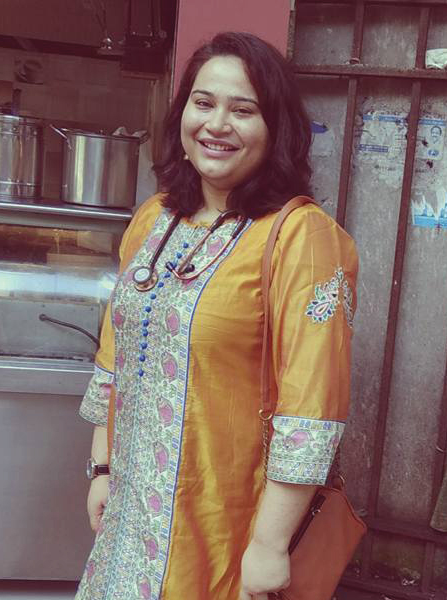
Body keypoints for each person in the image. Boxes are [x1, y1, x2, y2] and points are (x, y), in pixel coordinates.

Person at [75, 32, 358, 600]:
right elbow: (115, 357)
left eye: (243, 110)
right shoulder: (154, 218)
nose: (217, 124)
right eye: (203, 103)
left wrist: (270, 544)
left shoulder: (302, 238)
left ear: (276, 129)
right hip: (129, 523)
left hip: (226, 530)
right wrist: (102, 468)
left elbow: (312, 407)